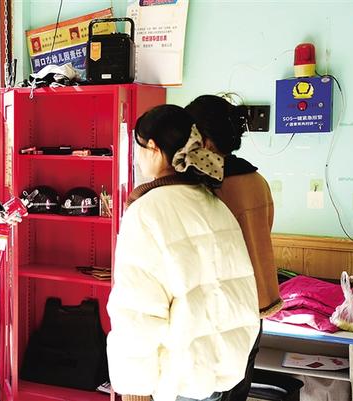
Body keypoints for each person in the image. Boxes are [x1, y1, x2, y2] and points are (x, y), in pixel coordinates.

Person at [106, 104, 260, 401]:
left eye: (139, 148)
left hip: (177, 378)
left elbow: (138, 310)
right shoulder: (214, 203)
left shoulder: (147, 211)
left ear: (153, 149)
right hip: (220, 373)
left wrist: (134, 388)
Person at [186, 95, 283, 401]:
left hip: (220, 310)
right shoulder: (257, 180)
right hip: (256, 306)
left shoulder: (207, 187)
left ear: (204, 140)